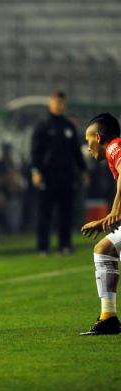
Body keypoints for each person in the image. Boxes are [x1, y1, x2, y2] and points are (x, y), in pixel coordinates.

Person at [31, 91, 87, 255]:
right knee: (45, 212)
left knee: (66, 212)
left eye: (62, 102)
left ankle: (65, 245)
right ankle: (43, 246)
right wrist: (36, 171)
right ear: (51, 103)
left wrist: (83, 170)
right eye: (56, 102)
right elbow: (35, 151)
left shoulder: (68, 126)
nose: (59, 105)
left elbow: (76, 151)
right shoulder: (42, 126)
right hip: (48, 175)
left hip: (66, 175)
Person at [81, 113, 121, 335]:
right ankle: (108, 317)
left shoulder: (115, 147)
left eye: (88, 141)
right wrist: (105, 220)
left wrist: (114, 211)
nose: (88, 147)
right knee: (104, 249)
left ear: (98, 136)